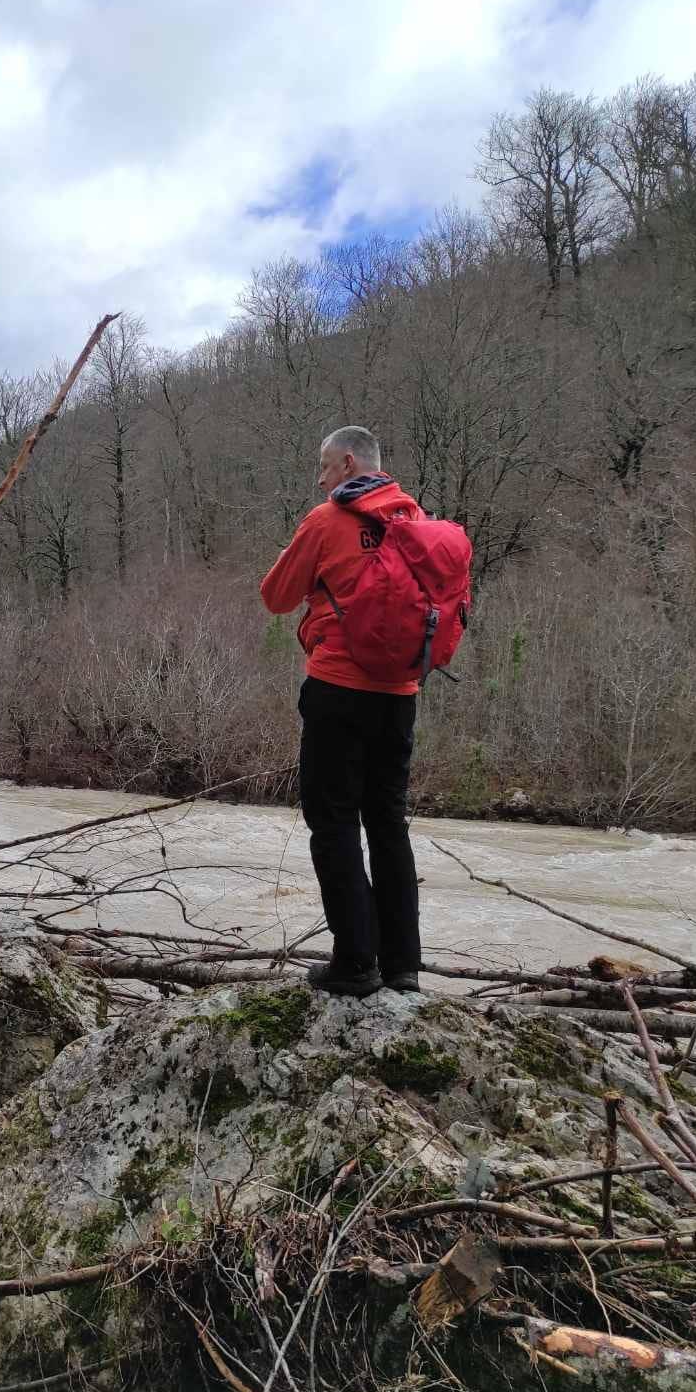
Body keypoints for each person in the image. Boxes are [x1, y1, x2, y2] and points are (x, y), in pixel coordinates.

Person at [260, 426, 422, 998]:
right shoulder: (414, 520)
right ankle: (404, 966)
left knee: (333, 825)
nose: (320, 479)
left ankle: (356, 963)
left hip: (338, 689)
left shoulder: (327, 519)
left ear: (348, 463)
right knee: (388, 824)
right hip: (401, 695)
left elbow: (276, 596)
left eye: (324, 468)